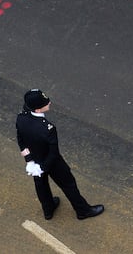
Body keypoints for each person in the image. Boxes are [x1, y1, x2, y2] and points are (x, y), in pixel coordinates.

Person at [16, 89, 104, 221]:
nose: (49, 102)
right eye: (46, 103)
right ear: (38, 110)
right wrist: (44, 167)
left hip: (35, 161)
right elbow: (53, 153)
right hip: (52, 163)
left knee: (41, 185)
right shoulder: (48, 128)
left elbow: (21, 140)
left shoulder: (21, 118)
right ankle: (83, 211)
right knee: (68, 184)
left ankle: (48, 209)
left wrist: (29, 160)